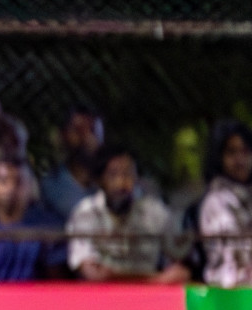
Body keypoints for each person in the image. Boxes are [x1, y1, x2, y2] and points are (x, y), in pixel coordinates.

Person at [67, 145, 188, 283]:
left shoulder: (154, 212)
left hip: (150, 298)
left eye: (128, 174)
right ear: (99, 180)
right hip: (102, 296)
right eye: (113, 175)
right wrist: (157, 280)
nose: (121, 183)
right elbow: (92, 273)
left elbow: (178, 257)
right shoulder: (86, 213)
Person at [199, 120, 252, 288]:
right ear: (219, 158)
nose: (240, 159)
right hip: (229, 291)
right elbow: (236, 254)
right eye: (232, 152)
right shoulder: (215, 201)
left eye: (245, 151)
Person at [39, 106, 103, 220]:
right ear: (62, 135)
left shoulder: (117, 180)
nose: (87, 137)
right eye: (78, 130)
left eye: (92, 130)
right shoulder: (49, 187)